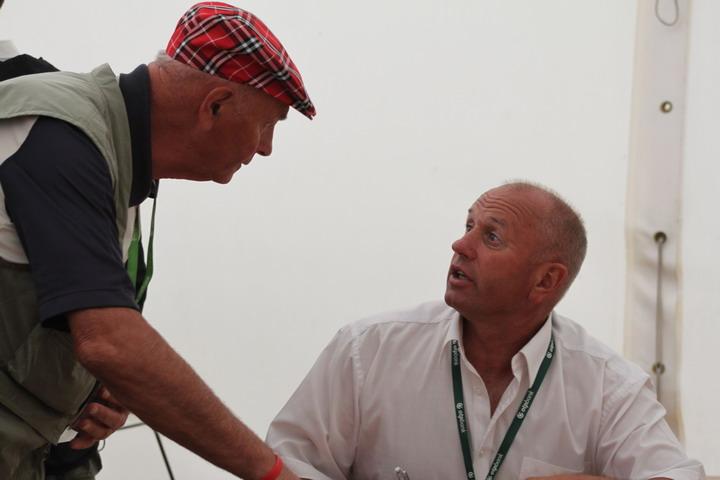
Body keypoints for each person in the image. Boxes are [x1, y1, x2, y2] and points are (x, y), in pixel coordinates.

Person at [0, 2, 314, 479]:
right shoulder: (63, 132)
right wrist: (273, 474)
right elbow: (109, 341)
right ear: (214, 105)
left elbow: (90, 346)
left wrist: (94, 396)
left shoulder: (114, 163)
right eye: (268, 124)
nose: (266, 148)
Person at [266, 182, 704, 480]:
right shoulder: (368, 351)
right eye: (468, 226)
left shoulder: (608, 386)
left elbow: (676, 474)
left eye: (491, 237)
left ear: (545, 281)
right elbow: (289, 461)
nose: (461, 246)